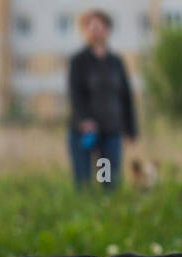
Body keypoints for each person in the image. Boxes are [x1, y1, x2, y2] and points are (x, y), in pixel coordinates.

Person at [67, 9, 137, 189]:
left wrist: (131, 129)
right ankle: (84, 213)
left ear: (107, 30)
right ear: (85, 31)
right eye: (91, 27)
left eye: (99, 27)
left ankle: (106, 210)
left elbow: (126, 96)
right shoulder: (79, 61)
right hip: (84, 132)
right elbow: (75, 94)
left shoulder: (116, 62)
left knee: (107, 180)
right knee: (84, 181)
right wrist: (85, 119)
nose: (95, 31)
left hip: (110, 131)